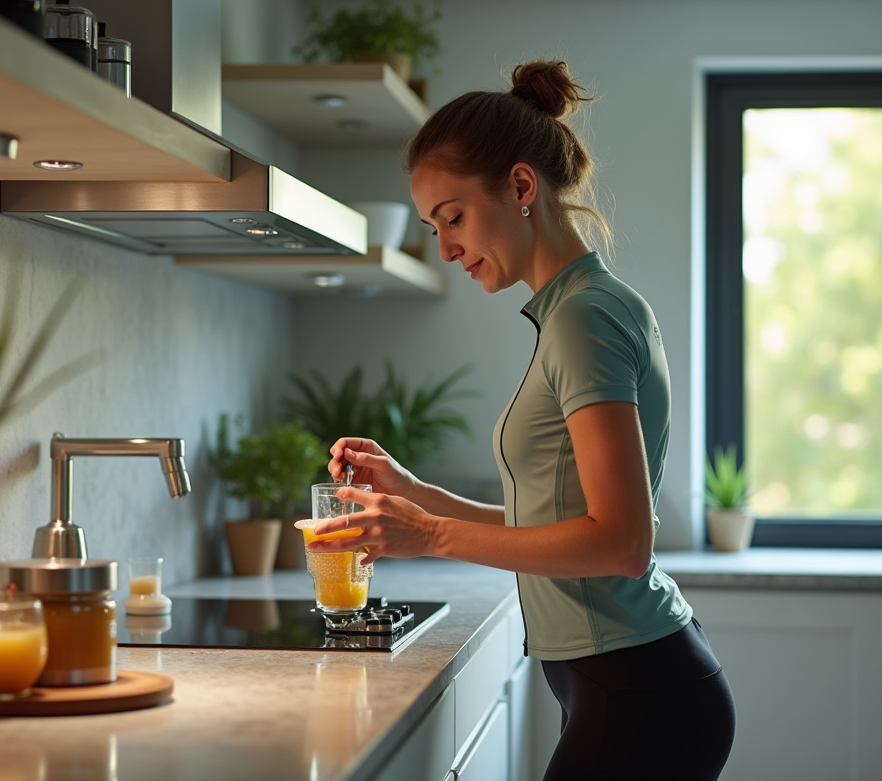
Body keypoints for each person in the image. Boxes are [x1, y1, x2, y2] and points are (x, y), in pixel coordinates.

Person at [308, 60, 737, 781]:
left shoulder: (585, 319)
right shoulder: (579, 308)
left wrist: (432, 535)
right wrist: (412, 492)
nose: (444, 248)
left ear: (519, 186)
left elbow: (623, 542)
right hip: (629, 679)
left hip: (639, 689)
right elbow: (549, 520)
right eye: (432, 226)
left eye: (453, 217)